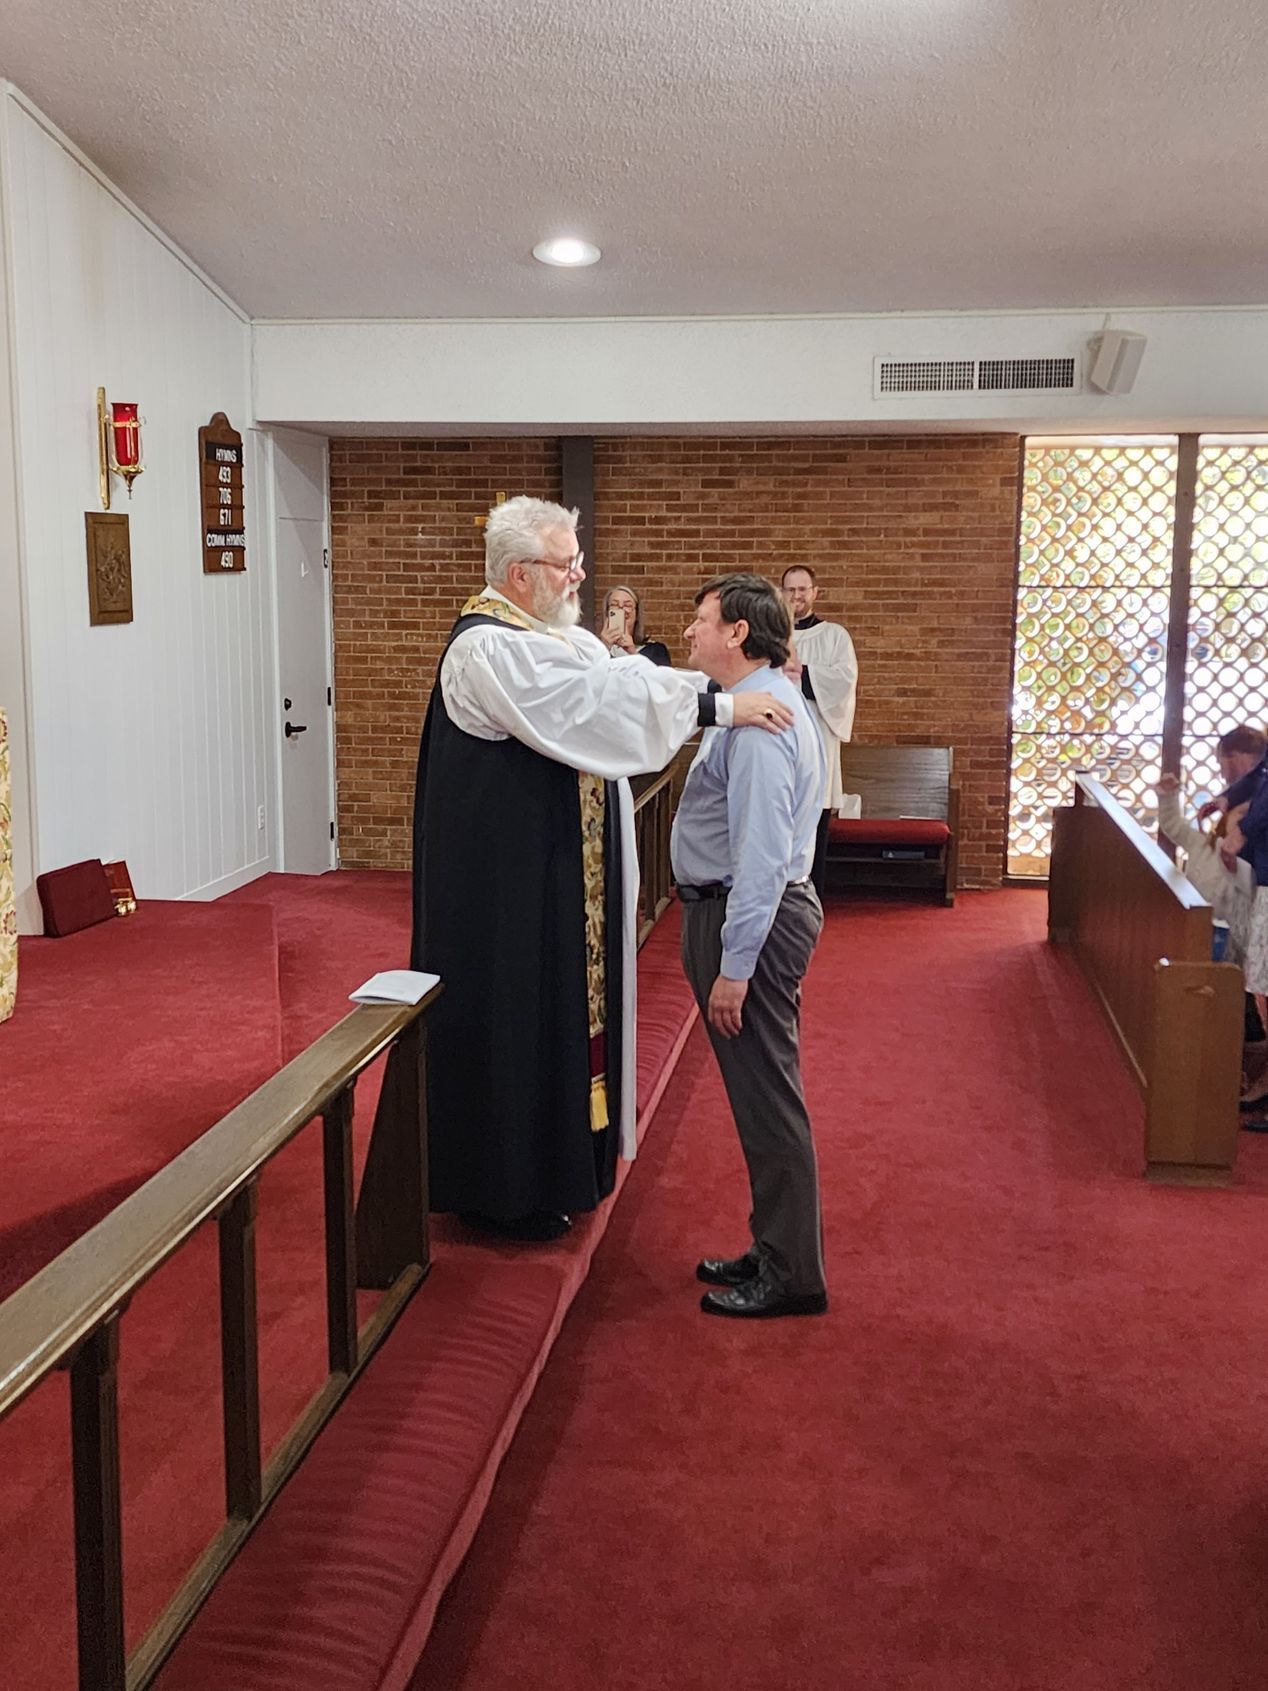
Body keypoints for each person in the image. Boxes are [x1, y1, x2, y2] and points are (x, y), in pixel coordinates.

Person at [404, 498, 794, 1243]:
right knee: (516, 1020)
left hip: (552, 881)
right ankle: (503, 1191)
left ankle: (561, 1170)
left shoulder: (551, 636)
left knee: (558, 1015)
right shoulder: (486, 649)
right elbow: (596, 703)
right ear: (519, 573)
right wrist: (719, 706)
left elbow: (614, 676)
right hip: (506, 897)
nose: (580, 572)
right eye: (565, 561)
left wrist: (709, 699)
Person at [672, 573, 829, 1319]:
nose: (692, 631)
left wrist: (734, 969)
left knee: (768, 1100)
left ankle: (793, 1272)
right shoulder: (753, 705)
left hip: (749, 919)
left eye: (702, 620)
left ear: (738, 632)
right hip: (741, 912)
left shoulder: (762, 723)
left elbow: (763, 857)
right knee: (759, 1097)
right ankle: (774, 1245)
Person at [779, 566, 858, 898]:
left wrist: (802, 674)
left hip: (818, 740)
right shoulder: (769, 635)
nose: (797, 596)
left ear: (815, 592)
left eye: (803, 589)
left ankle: (812, 896)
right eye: (790, 590)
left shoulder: (834, 635)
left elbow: (844, 680)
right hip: (779, 735)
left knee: (814, 822)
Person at [598, 584, 671, 666]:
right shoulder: (591, 648)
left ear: (636, 614)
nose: (621, 609)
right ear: (607, 612)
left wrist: (632, 652)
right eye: (614, 605)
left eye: (627, 605)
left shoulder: (656, 650)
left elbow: (661, 677)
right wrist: (603, 648)